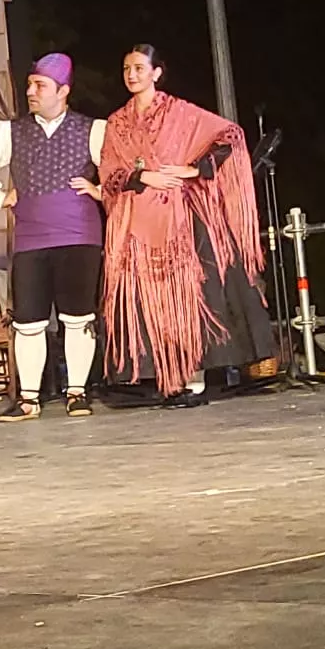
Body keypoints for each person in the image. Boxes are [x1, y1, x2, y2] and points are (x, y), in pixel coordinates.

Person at [75, 45, 273, 405]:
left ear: (156, 73)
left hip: (181, 216)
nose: (131, 74)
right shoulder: (118, 121)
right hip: (138, 218)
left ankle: (192, 378)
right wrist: (144, 176)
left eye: (138, 67)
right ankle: (165, 379)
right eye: (126, 68)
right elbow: (110, 170)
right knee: (146, 301)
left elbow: (228, 135)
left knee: (191, 296)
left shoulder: (180, 113)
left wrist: (194, 169)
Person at [0, 52, 106, 421]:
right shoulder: (11, 132)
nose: (31, 91)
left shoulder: (92, 129)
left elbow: (123, 169)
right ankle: (28, 397)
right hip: (32, 239)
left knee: (78, 316)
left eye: (39, 85)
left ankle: (77, 392)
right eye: (30, 84)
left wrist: (101, 190)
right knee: (28, 320)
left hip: (78, 235)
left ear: (63, 91)